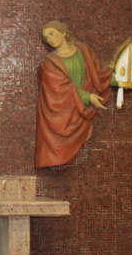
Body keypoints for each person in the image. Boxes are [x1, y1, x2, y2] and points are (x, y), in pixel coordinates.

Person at [35, 20, 115, 168]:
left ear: (63, 32)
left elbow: (99, 74)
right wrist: (88, 97)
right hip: (61, 114)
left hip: (80, 111)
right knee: (58, 153)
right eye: (46, 37)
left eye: (52, 34)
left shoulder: (84, 51)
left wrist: (119, 80)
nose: (50, 39)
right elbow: (60, 88)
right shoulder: (49, 63)